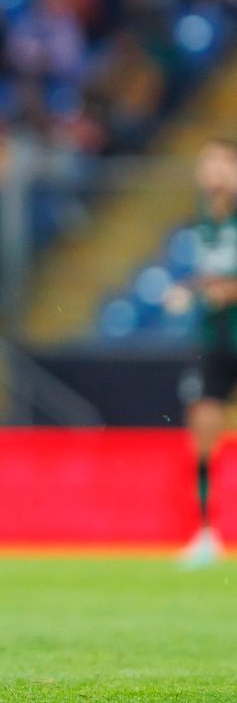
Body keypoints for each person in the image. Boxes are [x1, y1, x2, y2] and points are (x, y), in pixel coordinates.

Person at [164, 138, 237, 568]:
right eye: (206, 163)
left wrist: (222, 291)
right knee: (203, 434)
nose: (211, 171)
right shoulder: (202, 223)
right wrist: (189, 290)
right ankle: (207, 532)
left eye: (221, 163)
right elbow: (209, 277)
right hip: (214, 341)